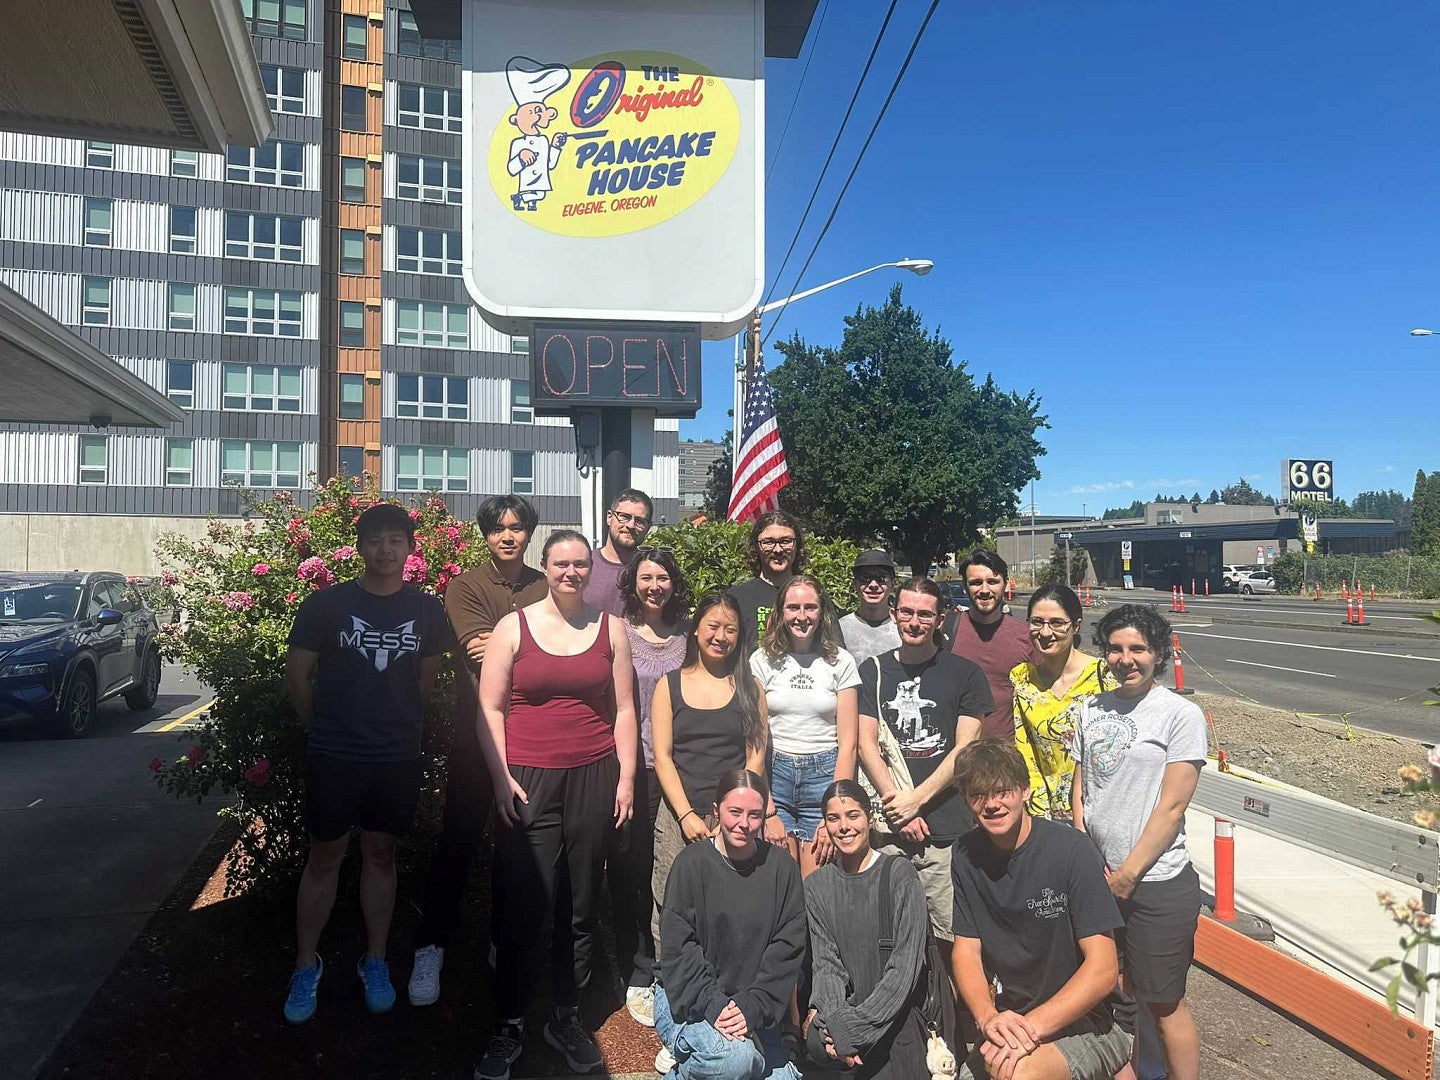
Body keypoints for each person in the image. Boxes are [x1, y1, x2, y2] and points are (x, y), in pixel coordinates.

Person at [474, 530, 638, 1080]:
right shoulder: (511, 628)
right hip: (527, 778)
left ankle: (567, 1016)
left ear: (591, 571)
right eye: (561, 563)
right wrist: (499, 777)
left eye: (580, 564)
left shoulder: (609, 628)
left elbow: (624, 711)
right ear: (544, 567)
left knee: (582, 902)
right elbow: (490, 710)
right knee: (526, 900)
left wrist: (627, 778)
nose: (571, 572)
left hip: (595, 774)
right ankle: (510, 1020)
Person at [281, 503, 450, 1024]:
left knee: (382, 856)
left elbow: (424, 683)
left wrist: (391, 725)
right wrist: (326, 730)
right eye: (375, 539)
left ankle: (374, 960)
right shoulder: (325, 605)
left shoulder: (427, 611)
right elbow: (296, 679)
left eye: (396, 540)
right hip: (334, 754)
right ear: (359, 546)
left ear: (409, 549)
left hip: (395, 756)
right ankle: (306, 964)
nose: (385, 549)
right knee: (324, 857)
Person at [408, 494, 547, 1008]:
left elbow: (512, 649)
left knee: (519, 851)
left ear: (529, 532)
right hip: (476, 739)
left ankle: (501, 942)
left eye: (517, 527)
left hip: (532, 739)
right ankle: (430, 946)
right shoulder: (465, 587)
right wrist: (541, 646)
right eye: (498, 528)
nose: (508, 536)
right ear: (485, 535)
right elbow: (478, 650)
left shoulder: (544, 583)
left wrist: (516, 646)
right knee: (458, 844)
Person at [1074, 605, 1206, 1080]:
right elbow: (1081, 786)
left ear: (1158, 654)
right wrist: (1088, 859)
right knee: (1118, 994)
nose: (1125, 658)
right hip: (1100, 878)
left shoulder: (1180, 715)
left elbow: (1171, 808)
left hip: (1155, 884)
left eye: (1137, 649)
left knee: (1164, 1001)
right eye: (1115, 648)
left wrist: (1128, 875)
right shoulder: (1091, 707)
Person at [950, 740, 1134, 1080]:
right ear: (965, 800)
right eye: (978, 794)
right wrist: (988, 1017)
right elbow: (966, 950)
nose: (991, 804)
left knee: (1018, 1073)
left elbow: (1104, 969)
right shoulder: (965, 855)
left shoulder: (1071, 851)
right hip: (1013, 1016)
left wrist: (1028, 1031)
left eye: (1002, 791)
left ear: (1025, 790)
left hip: (1094, 1019)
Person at [858, 576, 992, 971]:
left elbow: (964, 748)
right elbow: (866, 744)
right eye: (907, 612)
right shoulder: (873, 671)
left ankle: (956, 1024)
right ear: (895, 613)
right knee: (889, 936)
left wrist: (917, 801)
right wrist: (899, 806)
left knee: (953, 940)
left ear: (940, 619)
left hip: (947, 831)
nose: (914, 622)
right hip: (888, 829)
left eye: (924, 615)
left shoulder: (965, 674)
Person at [656, 769, 806, 1080]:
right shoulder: (691, 864)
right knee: (736, 1061)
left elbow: (786, 950)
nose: (744, 824)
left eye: (754, 815)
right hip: (689, 1000)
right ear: (716, 811)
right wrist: (715, 1004)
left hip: (751, 1009)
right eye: (734, 812)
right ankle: (687, 1048)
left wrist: (750, 1006)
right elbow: (680, 948)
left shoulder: (782, 870)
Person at [650, 594, 770, 958]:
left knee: (733, 899)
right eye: (713, 626)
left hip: (735, 817)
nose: (720, 636)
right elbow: (663, 757)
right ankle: (671, 978)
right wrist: (686, 815)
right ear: (696, 630)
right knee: (671, 899)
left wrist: (736, 814)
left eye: (730, 629)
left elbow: (756, 754)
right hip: (678, 813)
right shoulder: (668, 685)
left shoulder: (751, 687)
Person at [803, 780, 932, 1078]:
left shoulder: (899, 875)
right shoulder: (817, 887)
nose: (844, 826)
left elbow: (903, 971)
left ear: (869, 818)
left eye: (853, 815)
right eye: (834, 818)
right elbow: (826, 967)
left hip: (895, 1020)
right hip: (844, 1024)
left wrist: (856, 1028)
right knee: (816, 1045)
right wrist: (837, 1025)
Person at [614, 545, 692, 1027]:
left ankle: (679, 958)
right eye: (646, 577)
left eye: (662, 577)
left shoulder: (689, 635)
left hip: (683, 769)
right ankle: (638, 966)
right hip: (633, 767)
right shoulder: (618, 631)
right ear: (633, 583)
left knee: (680, 867)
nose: (654, 586)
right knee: (632, 867)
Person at [749, 574, 859, 877]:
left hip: (824, 778)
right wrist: (768, 810)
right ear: (780, 612)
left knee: (816, 885)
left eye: (810, 607)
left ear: (821, 611)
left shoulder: (841, 662)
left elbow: (848, 743)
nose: (801, 616)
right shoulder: (761, 661)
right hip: (776, 776)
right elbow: (755, 741)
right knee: (780, 881)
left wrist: (834, 811)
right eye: (793, 607)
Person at [1011, 582, 1116, 821]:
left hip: (1098, 813)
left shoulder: (1103, 677)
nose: (1045, 632)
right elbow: (1025, 749)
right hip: (1042, 817)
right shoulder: (1023, 681)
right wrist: (1036, 813)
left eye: (1057, 623)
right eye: (1037, 622)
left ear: (1076, 626)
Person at [949, 549, 1033, 740]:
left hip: (1007, 756)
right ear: (965, 587)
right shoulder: (945, 630)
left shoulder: (1026, 637)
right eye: (976, 583)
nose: (984, 590)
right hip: (954, 755)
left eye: (992, 582)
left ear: (1006, 584)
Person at [726, 509, 804, 653]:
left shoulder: (813, 595)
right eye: (768, 542)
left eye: (786, 541)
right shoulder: (736, 598)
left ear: (796, 545)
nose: (778, 549)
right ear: (756, 547)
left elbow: (833, 651)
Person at [587, 488, 654, 617]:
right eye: (624, 517)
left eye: (640, 521)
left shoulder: (652, 571)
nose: (631, 525)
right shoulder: (582, 565)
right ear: (609, 517)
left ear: (648, 527)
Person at [839, 549, 902, 664]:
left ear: (893, 584)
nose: (873, 585)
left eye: (881, 578)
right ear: (855, 584)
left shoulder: (903, 629)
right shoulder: (839, 629)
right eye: (865, 578)